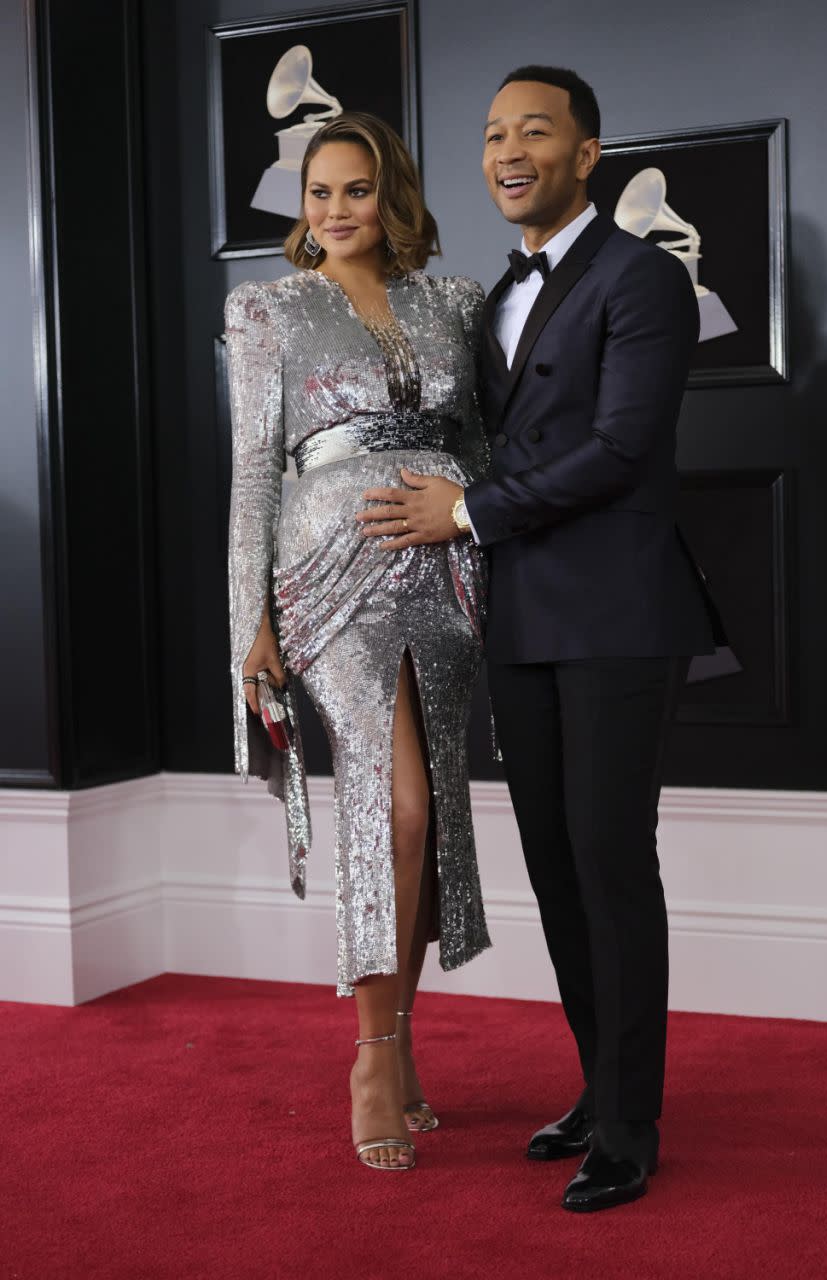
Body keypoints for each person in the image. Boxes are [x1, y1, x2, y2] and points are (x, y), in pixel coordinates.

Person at [356, 67, 720, 1210]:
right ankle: (595, 1085)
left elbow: (619, 450)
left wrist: (460, 511)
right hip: (518, 616)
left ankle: (631, 1122)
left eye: (536, 132)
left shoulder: (644, 278)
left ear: (587, 153)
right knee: (558, 870)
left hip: (617, 613)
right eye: (493, 133)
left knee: (613, 864)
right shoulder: (487, 295)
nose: (509, 150)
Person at [225, 112, 491, 1172]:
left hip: (446, 569)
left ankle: (402, 1036)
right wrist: (251, 622)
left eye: (356, 190)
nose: (335, 210)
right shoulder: (269, 311)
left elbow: (479, 439)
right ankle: (373, 1049)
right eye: (319, 192)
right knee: (398, 803)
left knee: (432, 819)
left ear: (395, 198)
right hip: (327, 572)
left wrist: (460, 500)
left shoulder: (456, 303)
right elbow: (254, 469)